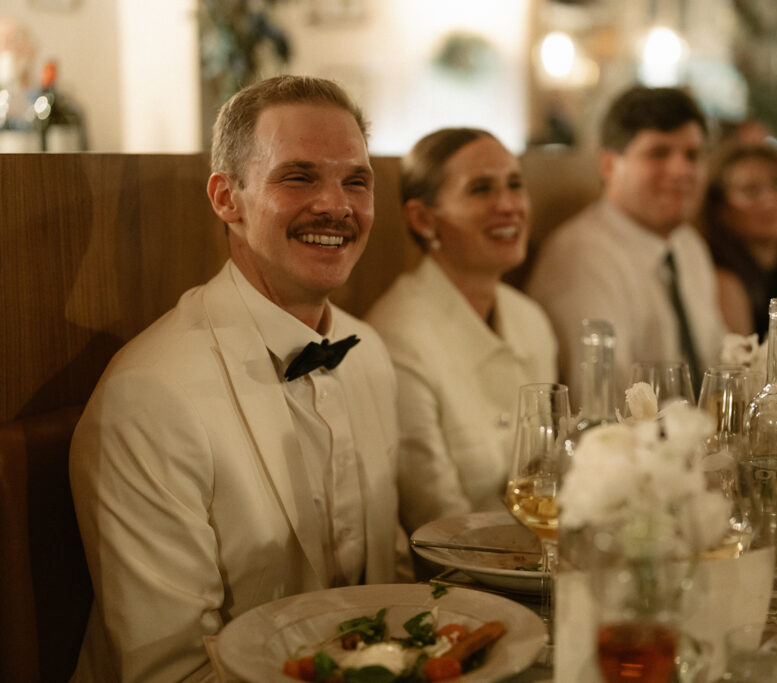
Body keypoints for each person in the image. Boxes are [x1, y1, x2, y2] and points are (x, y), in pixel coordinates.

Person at [69, 76, 404, 682]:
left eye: (356, 180)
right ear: (228, 199)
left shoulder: (370, 352)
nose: (337, 205)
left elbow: (393, 580)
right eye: (299, 177)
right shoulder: (151, 396)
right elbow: (171, 669)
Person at [365, 128, 557, 533]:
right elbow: (439, 521)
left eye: (515, 185)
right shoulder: (398, 337)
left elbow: (557, 476)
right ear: (422, 218)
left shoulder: (530, 319)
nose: (508, 205)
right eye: (481, 190)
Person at [527, 86, 726, 398]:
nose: (681, 170)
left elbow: (718, 364)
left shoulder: (687, 243)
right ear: (608, 165)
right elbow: (602, 402)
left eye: (692, 155)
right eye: (658, 153)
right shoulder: (583, 255)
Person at [698, 142, 777, 339]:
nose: (770, 199)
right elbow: (740, 365)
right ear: (721, 210)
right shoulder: (725, 280)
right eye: (751, 190)